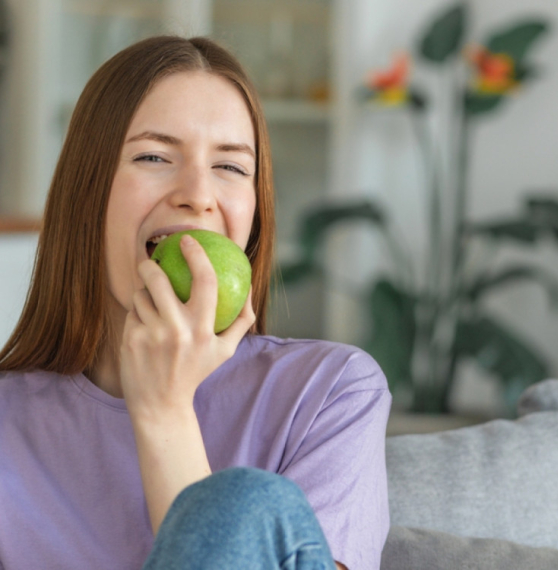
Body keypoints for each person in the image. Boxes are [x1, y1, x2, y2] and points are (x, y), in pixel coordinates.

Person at [0, 36, 391, 569]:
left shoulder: (330, 393)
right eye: (154, 156)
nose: (197, 193)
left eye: (231, 167)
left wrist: (164, 411)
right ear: (85, 191)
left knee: (248, 504)